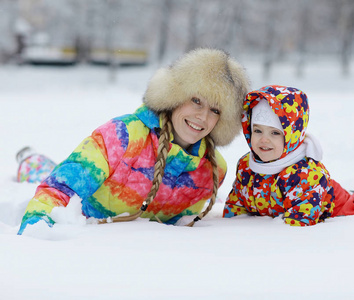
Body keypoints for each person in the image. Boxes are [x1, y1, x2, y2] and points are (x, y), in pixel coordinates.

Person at [18, 48, 250, 235]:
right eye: (196, 100)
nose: (202, 116)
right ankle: (29, 157)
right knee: (41, 171)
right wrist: (35, 233)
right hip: (88, 230)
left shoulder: (213, 169)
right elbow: (59, 188)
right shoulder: (122, 136)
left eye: (215, 110)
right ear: (175, 96)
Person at [223, 85, 354, 226]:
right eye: (258, 130)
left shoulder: (304, 175)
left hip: (327, 200)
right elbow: (237, 200)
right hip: (278, 206)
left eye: (275, 133)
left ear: (291, 135)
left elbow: (301, 222)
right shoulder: (247, 166)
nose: (264, 140)